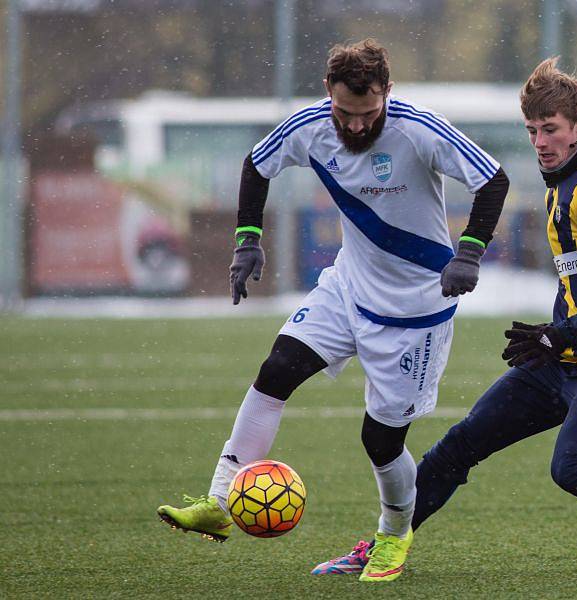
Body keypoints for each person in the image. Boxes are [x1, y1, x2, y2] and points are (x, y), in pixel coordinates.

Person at [313, 57, 577, 579]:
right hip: (563, 354)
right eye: (533, 130)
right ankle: (383, 545)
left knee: (574, 470)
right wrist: (556, 337)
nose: (540, 141)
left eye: (551, 130)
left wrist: (559, 333)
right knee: (460, 445)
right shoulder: (560, 184)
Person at [157, 38, 509, 584]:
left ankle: (393, 535)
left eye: (369, 114)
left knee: (380, 440)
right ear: (329, 94)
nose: (357, 126)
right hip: (347, 289)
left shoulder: (419, 130)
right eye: (346, 112)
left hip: (416, 312)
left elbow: (494, 180)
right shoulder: (311, 126)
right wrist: (247, 240)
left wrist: (470, 252)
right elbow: (257, 164)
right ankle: (221, 501)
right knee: (275, 372)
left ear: (388, 94)